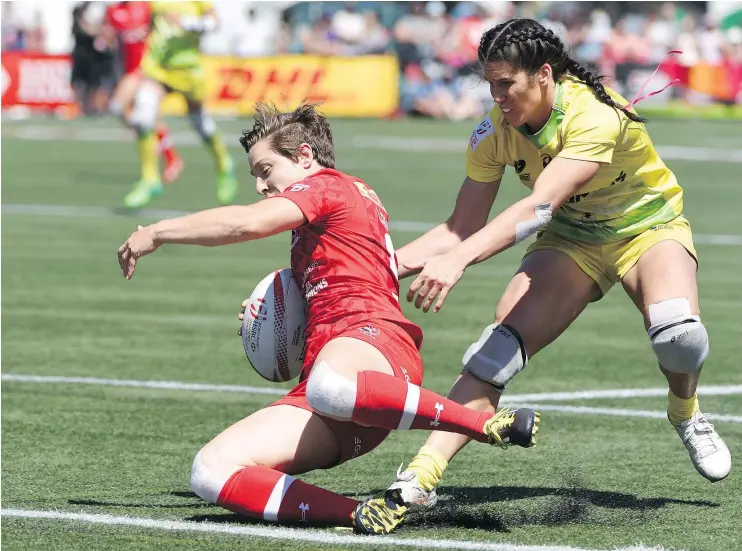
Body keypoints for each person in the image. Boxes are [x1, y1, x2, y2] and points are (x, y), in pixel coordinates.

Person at [357, 18, 732, 532]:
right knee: (495, 352)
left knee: (680, 336)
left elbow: (538, 205)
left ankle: (684, 410)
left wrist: (459, 260)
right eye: (489, 84)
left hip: (647, 228)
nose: (497, 96)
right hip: (573, 240)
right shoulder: (493, 131)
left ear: (544, 75)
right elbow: (458, 227)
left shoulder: (594, 115)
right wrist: (377, 270)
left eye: (506, 83)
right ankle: (417, 480)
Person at [116, 102, 541, 533]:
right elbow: (339, 278)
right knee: (210, 469)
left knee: (329, 385)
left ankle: (483, 423)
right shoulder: (333, 212)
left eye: (265, 170)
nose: (262, 186)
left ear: (304, 156)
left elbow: (246, 224)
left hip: (373, 348)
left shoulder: (328, 187)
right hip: (335, 393)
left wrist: (156, 231)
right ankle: (360, 513)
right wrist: (267, 313)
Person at [123, 1, 237, 209]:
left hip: (187, 70)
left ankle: (224, 165)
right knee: (144, 113)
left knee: (201, 125)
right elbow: (149, 21)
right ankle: (150, 179)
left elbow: (215, 22)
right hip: (158, 67)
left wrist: (187, 22)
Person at [103, 1, 184, 184]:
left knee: (117, 106)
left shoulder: (148, 6)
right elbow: (108, 37)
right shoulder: (114, 11)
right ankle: (170, 156)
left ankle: (159, 160)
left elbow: (171, 21)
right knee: (147, 119)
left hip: (146, 69)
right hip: (128, 67)